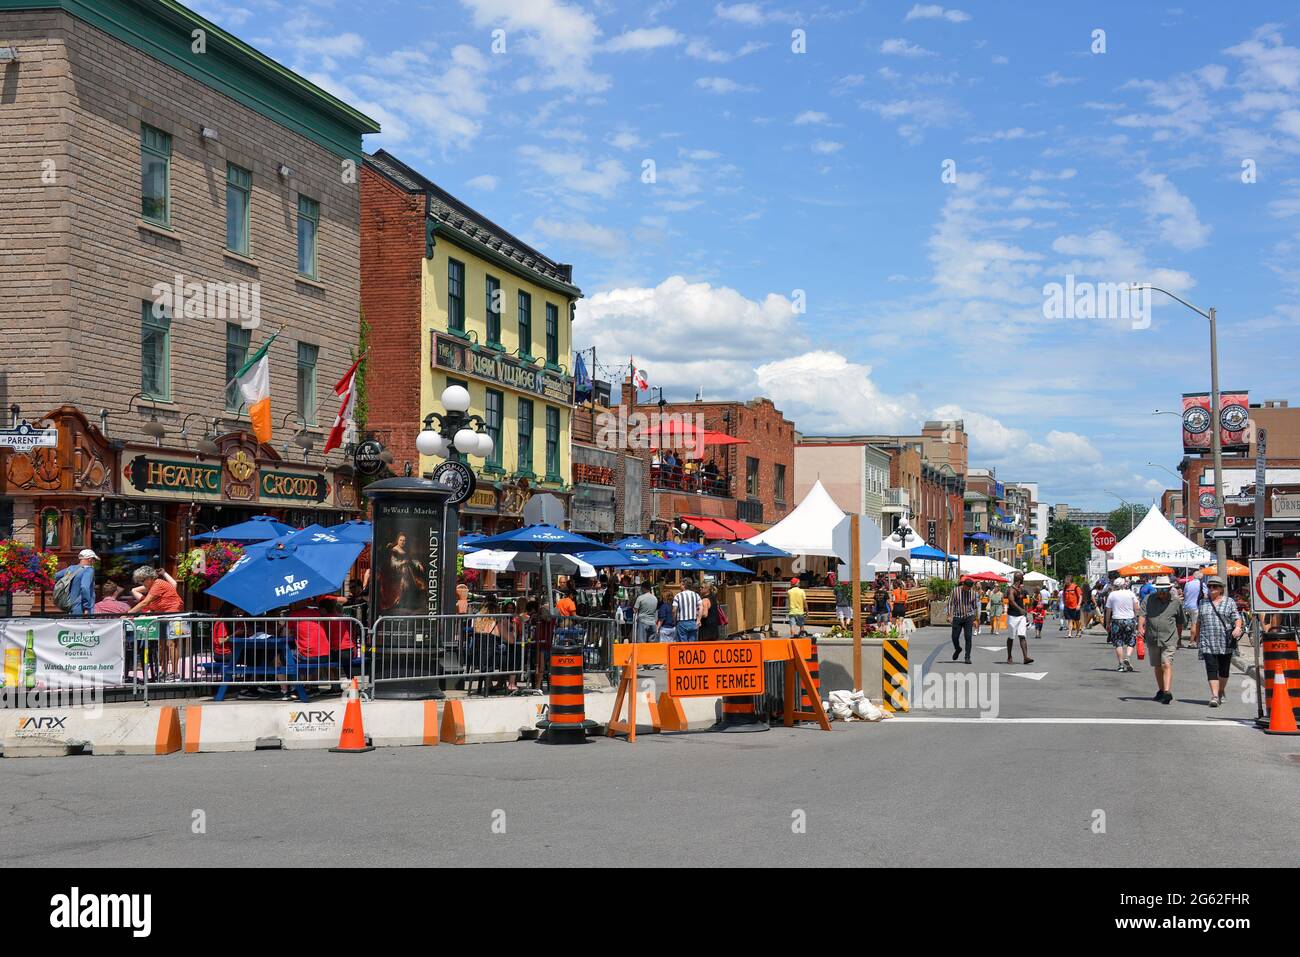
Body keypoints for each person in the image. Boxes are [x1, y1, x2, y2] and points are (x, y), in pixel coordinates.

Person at [1190, 576, 1242, 708]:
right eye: (1210, 586)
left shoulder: (1229, 602)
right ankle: (1214, 696)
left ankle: (1220, 691)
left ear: (1221, 589)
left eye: (1215, 586)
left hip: (1225, 641)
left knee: (1224, 670)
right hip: (1208, 640)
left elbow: (1237, 617)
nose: (1212, 589)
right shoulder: (1203, 603)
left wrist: (1237, 627)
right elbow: (1199, 621)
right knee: (1211, 668)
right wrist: (1196, 638)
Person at [128, 565, 184, 680]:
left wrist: (128, 613)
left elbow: (144, 603)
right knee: (162, 644)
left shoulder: (158, 584)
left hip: (173, 614)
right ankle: (164, 671)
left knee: (171, 644)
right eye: (140, 581)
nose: (142, 583)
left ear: (149, 578)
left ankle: (174, 672)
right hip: (163, 615)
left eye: (143, 580)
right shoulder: (152, 585)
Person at [1138, 576, 1186, 705]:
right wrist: (1140, 627)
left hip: (1169, 638)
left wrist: (1179, 639)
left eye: (1164, 589)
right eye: (1159, 589)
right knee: (1157, 665)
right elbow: (1142, 614)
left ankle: (1166, 692)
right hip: (1152, 637)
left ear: (1170, 588)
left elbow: (1180, 622)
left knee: (1166, 663)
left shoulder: (1175, 602)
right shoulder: (1149, 599)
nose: (1162, 592)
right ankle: (1160, 690)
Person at [1104, 576, 1139, 672]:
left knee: (1118, 642)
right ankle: (1127, 656)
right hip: (1129, 619)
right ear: (1124, 585)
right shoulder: (1130, 593)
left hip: (1117, 620)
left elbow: (1108, 610)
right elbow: (1136, 607)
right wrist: (1135, 618)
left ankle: (1120, 665)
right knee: (1131, 639)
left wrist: (1107, 623)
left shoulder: (1112, 595)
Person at [55, 548, 98, 615]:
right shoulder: (89, 570)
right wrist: (86, 607)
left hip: (69, 606)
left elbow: (56, 576)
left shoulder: (71, 568)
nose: (94, 562)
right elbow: (84, 588)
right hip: (81, 609)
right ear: (90, 559)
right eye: (94, 559)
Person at [1004, 573, 1035, 665]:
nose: (1023, 579)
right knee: (1011, 637)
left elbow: (1026, 600)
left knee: (1022, 635)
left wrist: (1027, 607)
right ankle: (1009, 656)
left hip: (1021, 616)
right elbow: (1011, 601)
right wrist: (1020, 609)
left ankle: (1025, 657)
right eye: (1022, 577)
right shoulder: (1011, 589)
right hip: (1012, 616)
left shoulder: (1021, 589)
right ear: (1019, 579)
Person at [949, 577, 979, 664]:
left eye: (970, 588)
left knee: (968, 637)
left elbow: (975, 607)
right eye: (967, 588)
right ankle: (958, 649)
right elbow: (950, 603)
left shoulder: (973, 593)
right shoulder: (955, 591)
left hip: (968, 617)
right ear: (963, 585)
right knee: (954, 636)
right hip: (957, 616)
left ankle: (967, 657)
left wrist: (975, 619)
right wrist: (949, 615)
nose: (968, 590)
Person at [1180, 570, 1203, 648]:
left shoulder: (1188, 583)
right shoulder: (1201, 584)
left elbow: (1184, 594)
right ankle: (1192, 642)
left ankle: (1179, 641)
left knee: (1183, 624)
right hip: (1196, 606)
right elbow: (1206, 595)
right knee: (1194, 624)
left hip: (1187, 606)